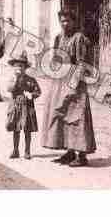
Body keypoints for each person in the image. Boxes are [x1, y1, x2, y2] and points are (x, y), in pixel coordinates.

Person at [41, 11, 96, 167]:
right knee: (61, 114)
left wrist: (74, 83)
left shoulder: (79, 38)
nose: (65, 24)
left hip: (75, 82)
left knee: (77, 117)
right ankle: (69, 151)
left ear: (74, 21)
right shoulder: (59, 37)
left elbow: (82, 63)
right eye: (62, 21)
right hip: (60, 80)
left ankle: (82, 155)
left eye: (68, 21)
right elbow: (55, 59)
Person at [6, 52, 41, 159]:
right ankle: (15, 150)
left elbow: (38, 91)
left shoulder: (31, 80)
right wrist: (16, 79)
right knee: (15, 128)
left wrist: (32, 95)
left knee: (27, 129)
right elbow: (9, 89)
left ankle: (27, 151)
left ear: (25, 68)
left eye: (21, 66)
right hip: (15, 106)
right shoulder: (12, 79)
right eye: (16, 66)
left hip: (27, 106)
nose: (19, 68)